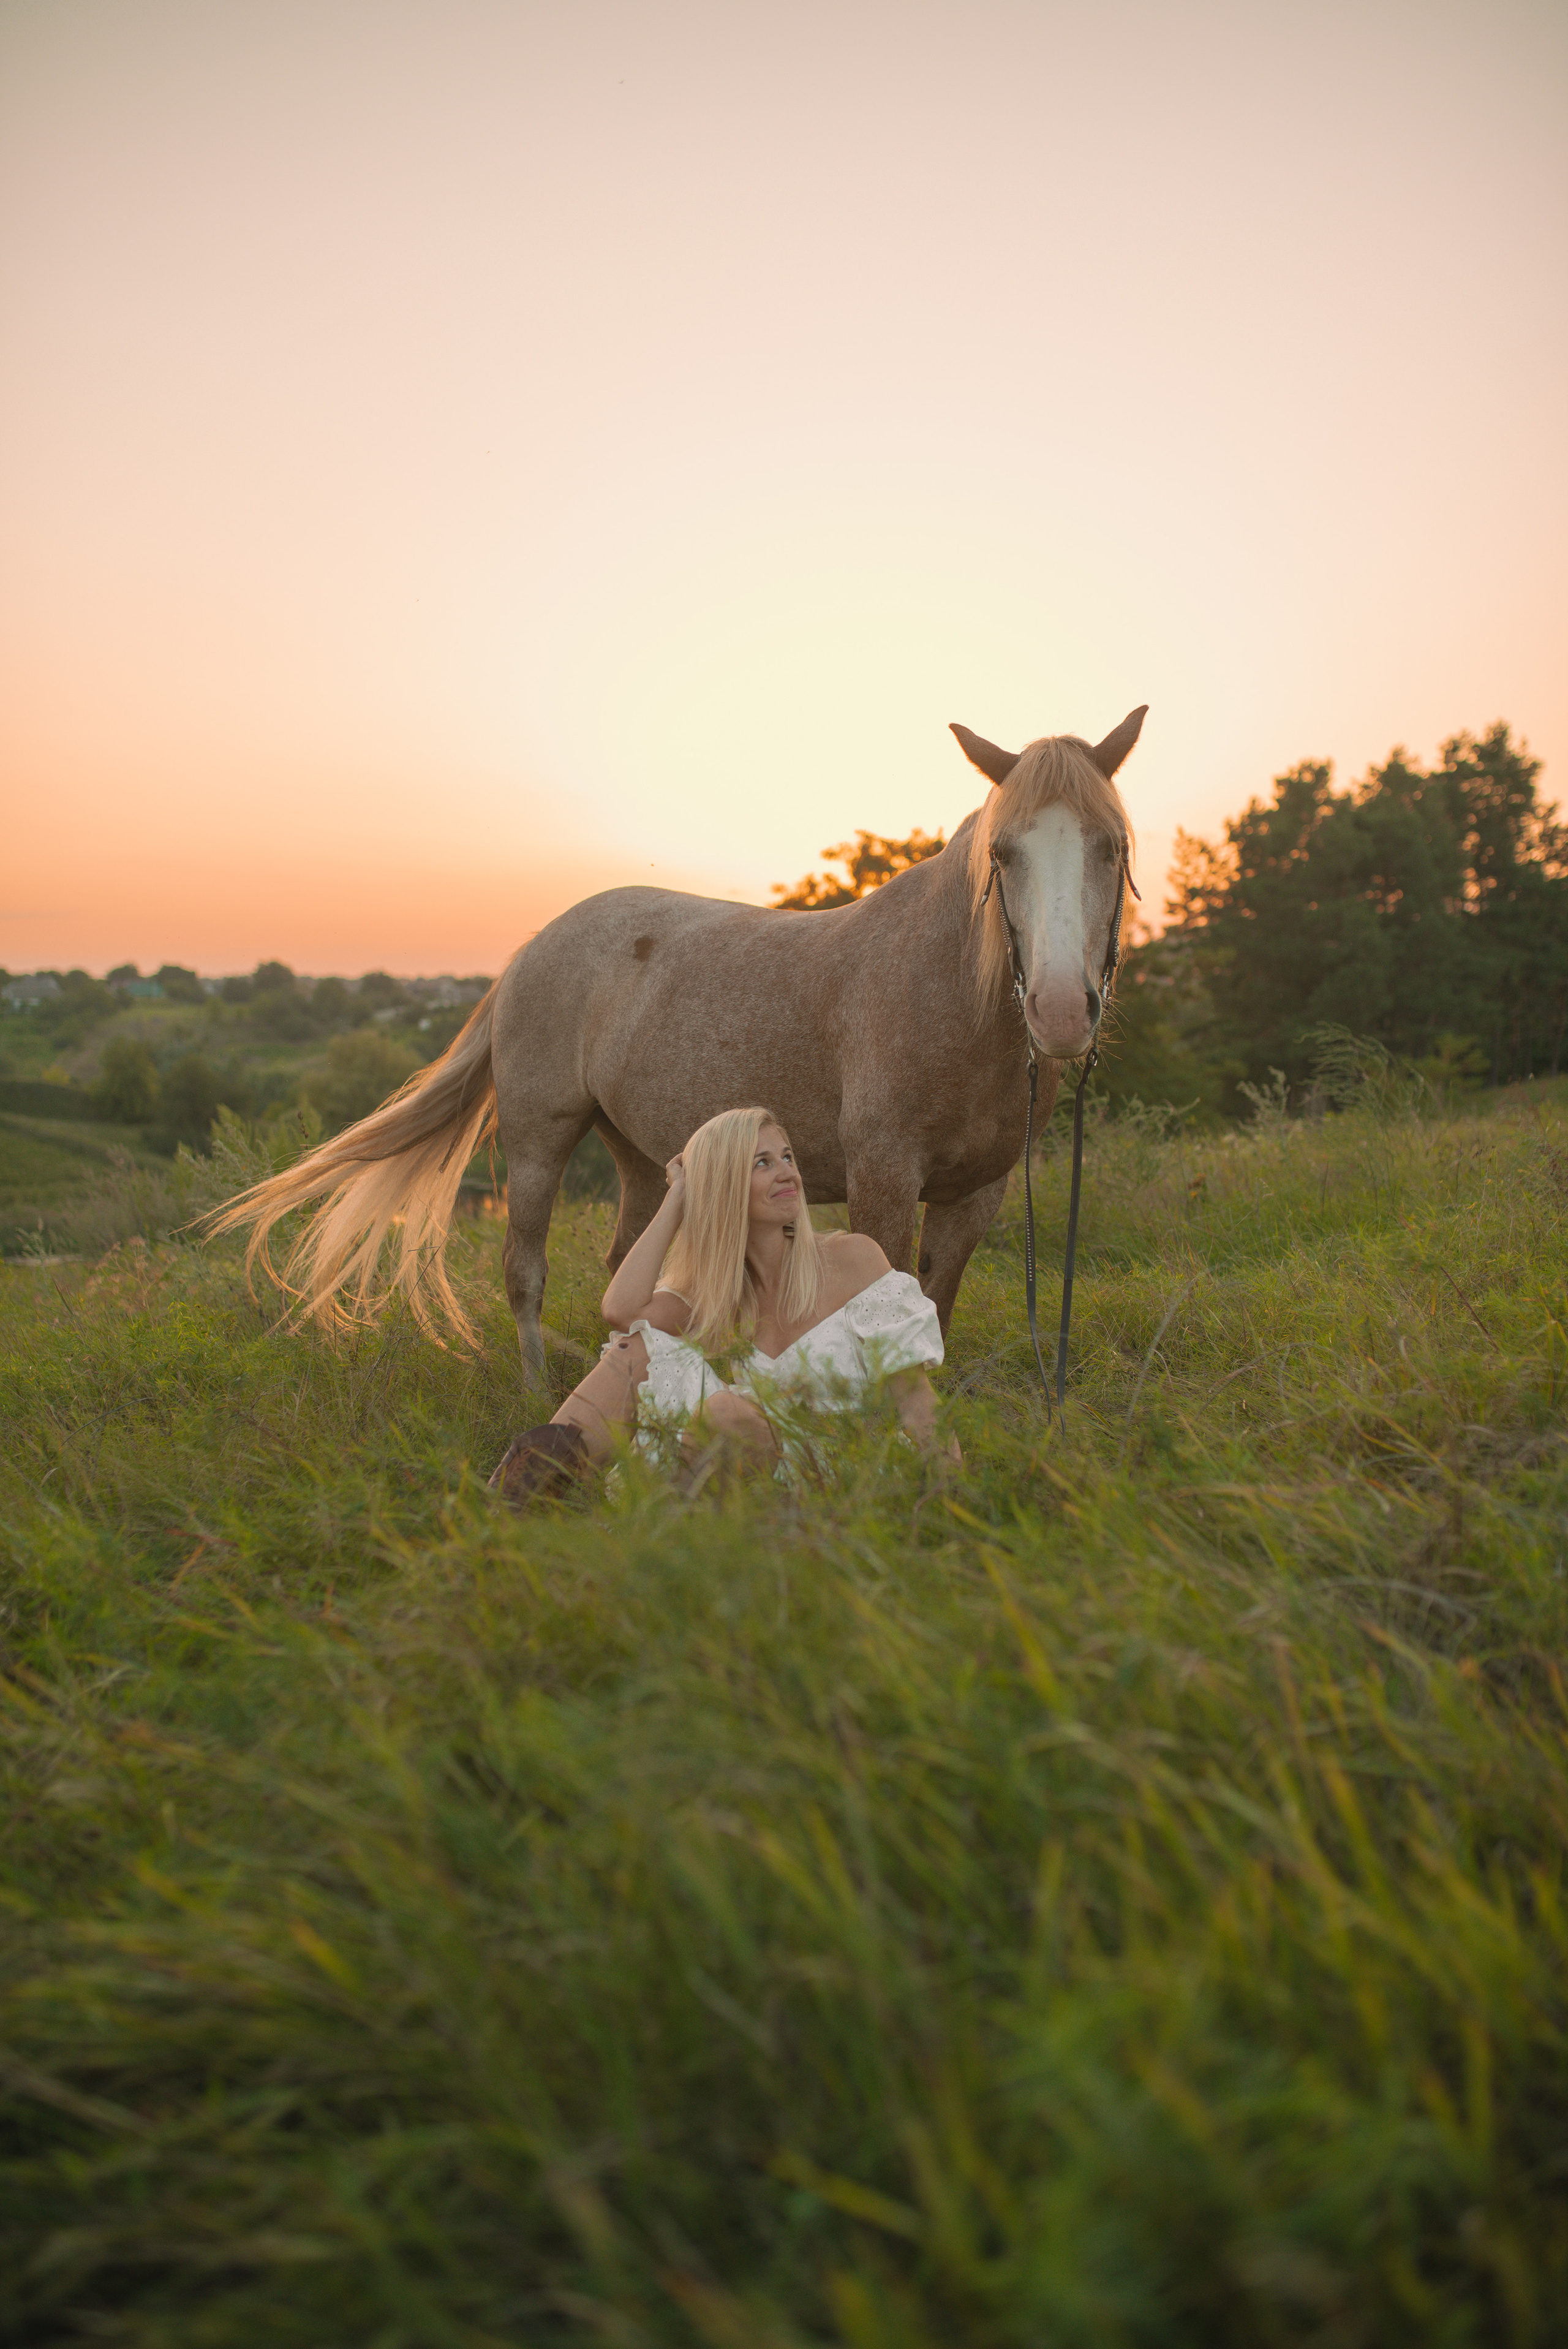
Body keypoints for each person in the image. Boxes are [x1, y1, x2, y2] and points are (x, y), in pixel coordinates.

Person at [489, 1105, 959, 1503]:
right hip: (735, 1477)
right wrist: (680, 1195)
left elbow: (917, 1401)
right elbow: (621, 1310)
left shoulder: (854, 1260)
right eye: (762, 1163)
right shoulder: (708, 1299)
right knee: (636, 1350)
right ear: (722, 1185)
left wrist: (954, 1501)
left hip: (830, 1478)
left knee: (728, 1414)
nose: (788, 1173)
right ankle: (515, 1501)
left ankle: (658, 1532)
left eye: (786, 1157)